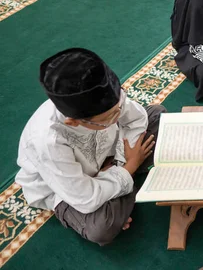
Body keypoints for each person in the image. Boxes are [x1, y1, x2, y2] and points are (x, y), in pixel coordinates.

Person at [16, 48, 165, 245]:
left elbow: (136, 118)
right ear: (73, 122)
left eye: (118, 109)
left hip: (111, 158)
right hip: (68, 188)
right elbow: (85, 198)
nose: (117, 117)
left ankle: (118, 194)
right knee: (102, 228)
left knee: (158, 116)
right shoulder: (48, 141)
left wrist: (121, 162)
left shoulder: (111, 103)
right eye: (108, 118)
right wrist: (131, 166)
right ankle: (125, 187)